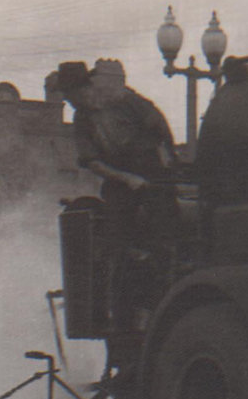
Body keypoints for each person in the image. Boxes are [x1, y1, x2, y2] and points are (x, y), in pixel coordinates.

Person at [54, 60, 177, 337]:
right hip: (121, 181)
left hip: (153, 174)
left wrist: (163, 164)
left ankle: (156, 286)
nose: (70, 103)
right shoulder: (82, 119)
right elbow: (93, 163)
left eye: (71, 96)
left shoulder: (125, 100)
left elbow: (159, 130)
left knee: (164, 236)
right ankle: (121, 308)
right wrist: (126, 179)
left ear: (84, 88)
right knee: (117, 242)